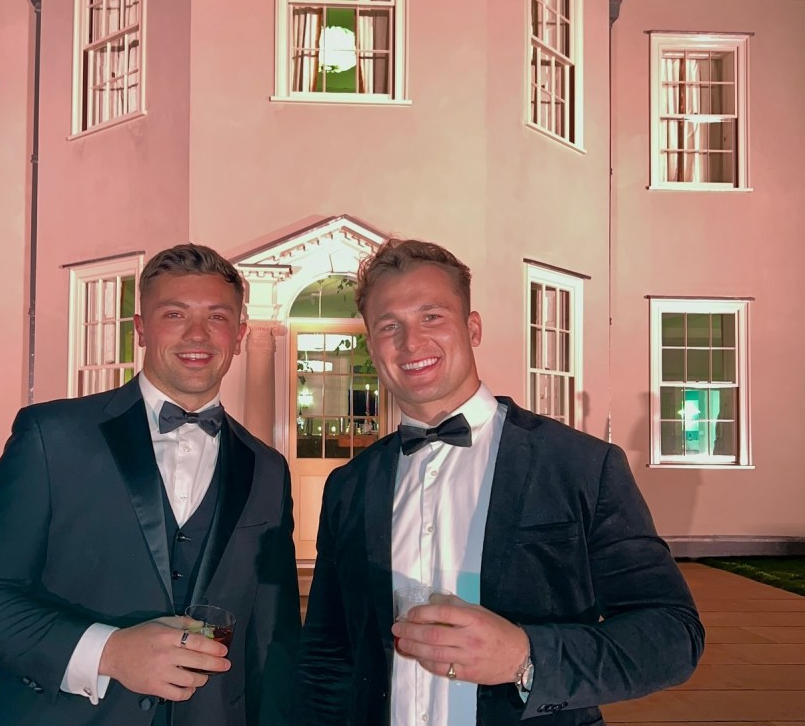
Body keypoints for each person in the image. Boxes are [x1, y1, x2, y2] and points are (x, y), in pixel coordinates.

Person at [298, 239, 704, 725]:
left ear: (473, 328)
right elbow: (328, 656)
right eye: (390, 326)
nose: (411, 343)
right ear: (371, 346)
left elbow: (674, 635)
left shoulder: (580, 465)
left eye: (432, 316)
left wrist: (524, 656)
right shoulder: (350, 486)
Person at [0, 244, 301, 726]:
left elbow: (271, 639)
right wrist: (108, 652)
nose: (197, 333)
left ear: (239, 336)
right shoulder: (51, 437)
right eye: (174, 313)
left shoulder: (268, 467)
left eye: (217, 317)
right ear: (141, 330)